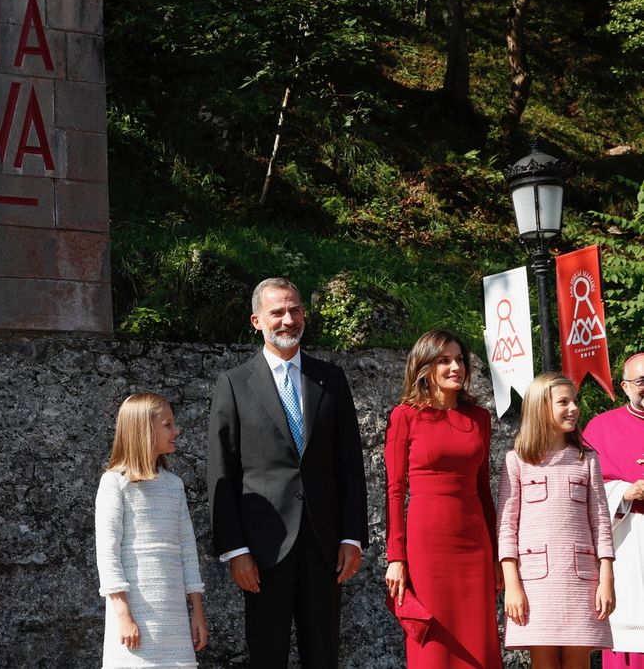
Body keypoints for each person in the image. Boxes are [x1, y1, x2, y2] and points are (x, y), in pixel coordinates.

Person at [206, 277, 368, 667]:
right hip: (263, 549)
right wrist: (236, 550)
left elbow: (349, 463)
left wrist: (352, 537)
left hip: (324, 544)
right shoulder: (233, 384)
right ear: (256, 320)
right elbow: (222, 473)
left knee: (325, 653)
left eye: (294, 309)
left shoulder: (331, 379)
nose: (287, 319)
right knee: (266, 655)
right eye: (277, 311)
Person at [384, 329, 503, 668]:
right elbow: (394, 490)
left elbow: (484, 490)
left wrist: (496, 554)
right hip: (427, 546)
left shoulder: (479, 418)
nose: (456, 367)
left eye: (460, 360)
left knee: (479, 639)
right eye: (444, 360)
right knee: (433, 643)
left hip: (474, 545)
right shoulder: (404, 416)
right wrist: (396, 557)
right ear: (426, 367)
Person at [497, 373, 615, 669]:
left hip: (583, 581)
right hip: (534, 582)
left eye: (574, 401)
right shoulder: (517, 461)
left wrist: (607, 579)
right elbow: (506, 528)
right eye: (564, 402)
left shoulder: (587, 460)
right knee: (544, 661)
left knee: (578, 661)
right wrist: (512, 585)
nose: (574, 408)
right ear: (539, 408)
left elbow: (601, 521)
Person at [95, 392, 207, 668]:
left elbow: (187, 550)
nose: (176, 430)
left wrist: (197, 612)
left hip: (175, 619)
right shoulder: (114, 484)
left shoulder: (173, 485)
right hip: (135, 616)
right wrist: (124, 615)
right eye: (168, 424)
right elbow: (108, 555)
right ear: (144, 429)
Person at [584, 353, 644, 669]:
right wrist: (627, 491)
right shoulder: (601, 428)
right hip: (629, 541)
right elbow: (584, 494)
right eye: (641, 381)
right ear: (624, 386)